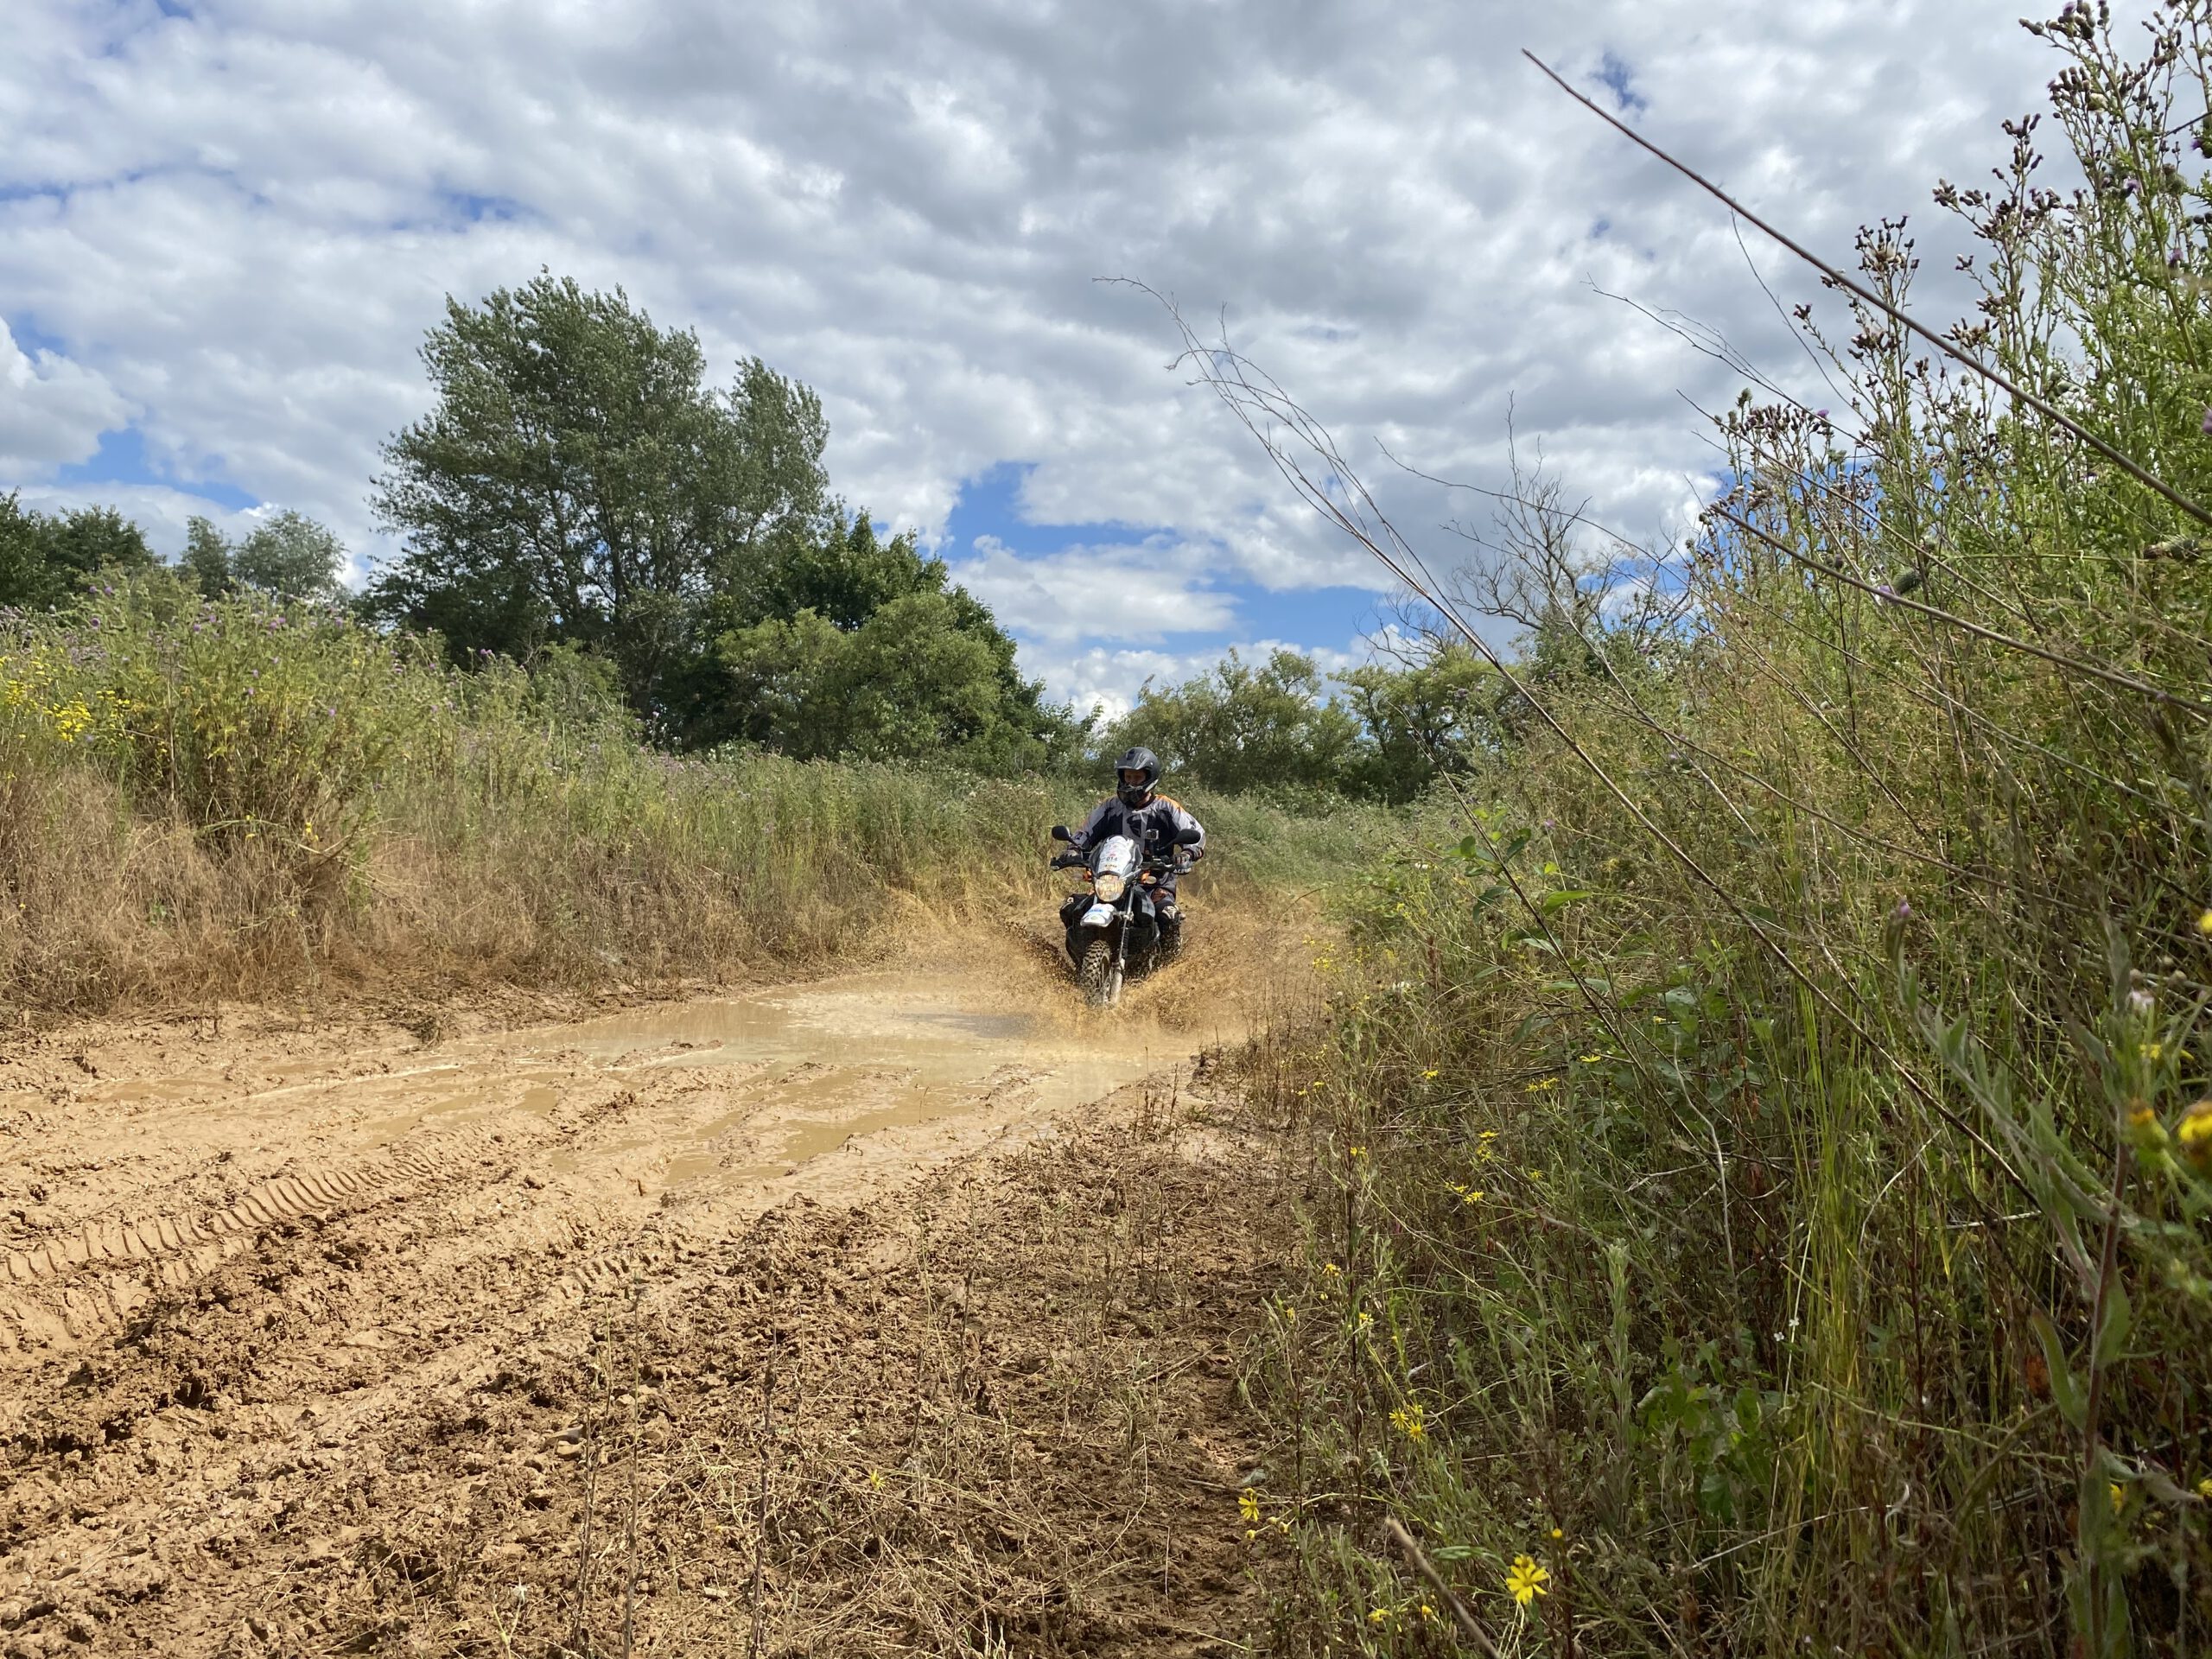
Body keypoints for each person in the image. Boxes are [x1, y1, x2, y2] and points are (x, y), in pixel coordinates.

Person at [1058, 747, 1205, 957]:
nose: (1131, 782)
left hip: (1155, 882)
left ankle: (1171, 966)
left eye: (1137, 778)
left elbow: (1196, 833)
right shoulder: (1110, 807)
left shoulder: (1166, 807)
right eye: (1128, 777)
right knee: (1071, 908)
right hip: (1113, 881)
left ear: (1149, 778)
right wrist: (1073, 849)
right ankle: (1080, 959)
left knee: (1167, 916)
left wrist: (1187, 854)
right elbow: (1085, 833)